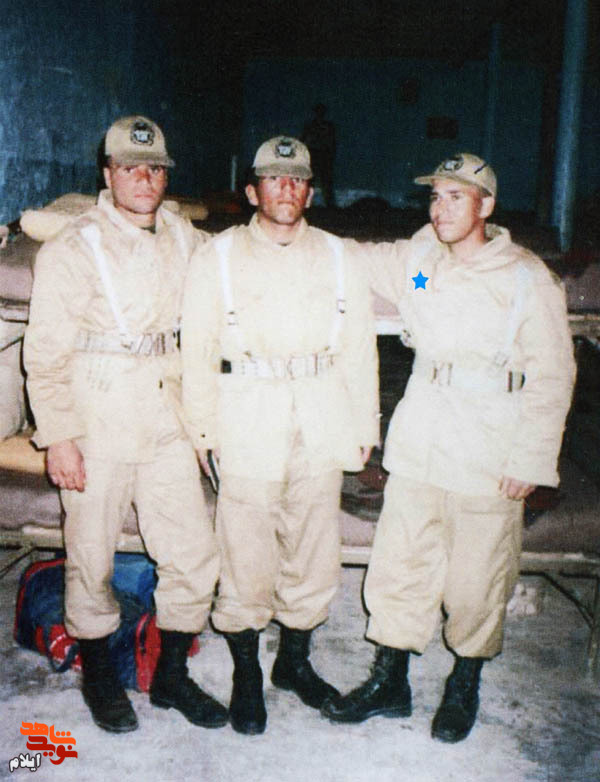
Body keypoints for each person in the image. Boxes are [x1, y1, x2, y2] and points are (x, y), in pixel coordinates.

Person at [322, 153, 576, 742]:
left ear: (486, 206)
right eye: (435, 197)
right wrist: (289, 236)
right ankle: (391, 681)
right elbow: (355, 258)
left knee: (477, 579)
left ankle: (464, 682)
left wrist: (532, 459)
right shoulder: (420, 261)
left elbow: (554, 374)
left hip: (490, 445)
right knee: (401, 563)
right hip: (423, 436)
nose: (440, 209)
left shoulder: (525, 277)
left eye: (455, 197)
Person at [24, 115, 227, 734]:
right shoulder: (74, 247)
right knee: (91, 557)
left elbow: (234, 273)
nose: (144, 178)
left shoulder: (184, 237)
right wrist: (59, 437)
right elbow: (44, 353)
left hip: (166, 416)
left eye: (155, 168)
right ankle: (99, 675)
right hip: (97, 418)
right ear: (108, 174)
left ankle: (171, 676)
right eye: (130, 167)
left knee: (193, 553)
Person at [181, 135, 379, 734]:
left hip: (321, 414)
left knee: (313, 548)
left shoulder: (341, 257)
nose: (286, 188)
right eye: (273, 179)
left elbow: (360, 347)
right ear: (252, 191)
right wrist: (202, 429)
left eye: (297, 180)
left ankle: (293, 662)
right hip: (245, 416)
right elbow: (197, 351)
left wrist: (364, 423)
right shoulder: (216, 257)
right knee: (244, 550)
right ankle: (247, 673)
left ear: (310, 192)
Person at [301, 104, 336, 207]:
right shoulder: (314, 125)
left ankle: (328, 204)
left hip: (321, 154)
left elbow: (332, 142)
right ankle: (310, 204)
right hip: (316, 154)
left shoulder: (323, 126)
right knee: (315, 180)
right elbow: (303, 139)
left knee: (324, 181)